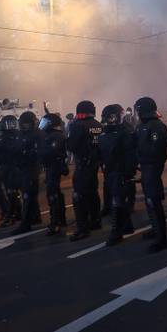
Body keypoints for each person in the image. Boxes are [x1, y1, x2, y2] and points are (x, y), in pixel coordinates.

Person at [134, 97, 167, 253]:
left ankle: (161, 238)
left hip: (153, 167)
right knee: (149, 202)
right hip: (146, 167)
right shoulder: (141, 125)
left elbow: (157, 151)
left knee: (153, 201)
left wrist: (142, 157)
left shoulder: (156, 125)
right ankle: (155, 229)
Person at [98, 104, 137, 245]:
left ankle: (116, 232)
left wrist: (128, 172)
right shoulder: (104, 133)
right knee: (118, 199)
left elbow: (131, 154)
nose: (110, 120)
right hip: (109, 171)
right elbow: (101, 151)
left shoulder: (126, 131)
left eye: (112, 116)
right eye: (108, 117)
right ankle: (127, 226)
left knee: (117, 201)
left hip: (121, 171)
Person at [67, 101, 104, 241]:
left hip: (82, 165)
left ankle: (82, 229)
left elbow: (71, 146)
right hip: (94, 165)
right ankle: (96, 221)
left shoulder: (77, 125)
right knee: (93, 193)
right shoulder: (98, 125)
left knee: (78, 196)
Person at [11, 111, 42, 235]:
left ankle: (26, 223)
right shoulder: (21, 134)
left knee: (28, 196)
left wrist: (25, 155)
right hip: (22, 168)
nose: (24, 126)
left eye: (27, 124)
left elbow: (37, 152)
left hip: (31, 167)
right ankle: (35, 217)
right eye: (23, 124)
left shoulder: (37, 134)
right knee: (29, 194)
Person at [39, 113, 68, 236]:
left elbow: (51, 153)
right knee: (55, 193)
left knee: (52, 195)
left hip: (54, 167)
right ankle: (61, 219)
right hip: (52, 166)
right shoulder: (52, 135)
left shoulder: (56, 136)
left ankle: (55, 222)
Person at [0, 115, 23, 227]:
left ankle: (14, 215)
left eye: (13, 123)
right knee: (11, 193)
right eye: (9, 124)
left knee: (18, 193)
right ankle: (14, 214)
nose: (11, 126)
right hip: (8, 169)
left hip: (17, 168)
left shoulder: (20, 136)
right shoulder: (2, 139)